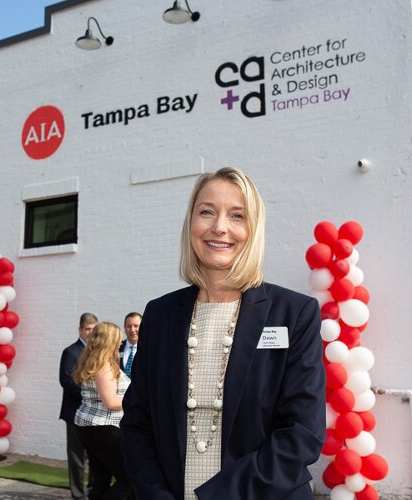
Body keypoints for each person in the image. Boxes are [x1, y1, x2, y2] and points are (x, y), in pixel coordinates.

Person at [121, 167, 326, 499]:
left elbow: (302, 433)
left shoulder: (294, 313)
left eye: (237, 216)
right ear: (191, 223)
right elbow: (137, 423)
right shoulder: (160, 314)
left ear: (253, 228)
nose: (219, 227)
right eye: (206, 212)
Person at [74, 321, 132, 500]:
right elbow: (111, 401)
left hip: (90, 426)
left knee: (101, 479)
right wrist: (137, 401)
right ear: (110, 341)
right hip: (104, 428)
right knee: (129, 480)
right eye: (118, 339)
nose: (121, 342)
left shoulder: (94, 362)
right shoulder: (104, 366)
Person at [60, 313, 98, 499]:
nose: (91, 333)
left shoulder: (97, 352)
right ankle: (77, 495)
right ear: (80, 330)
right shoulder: (70, 352)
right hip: (74, 412)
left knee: (96, 455)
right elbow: (66, 381)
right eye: (88, 329)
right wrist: (89, 394)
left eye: (93, 329)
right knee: (77, 458)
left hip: (94, 414)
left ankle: (93, 491)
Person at [119, 312, 141, 378]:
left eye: (136, 326)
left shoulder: (150, 349)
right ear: (124, 328)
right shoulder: (116, 348)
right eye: (129, 326)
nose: (132, 330)